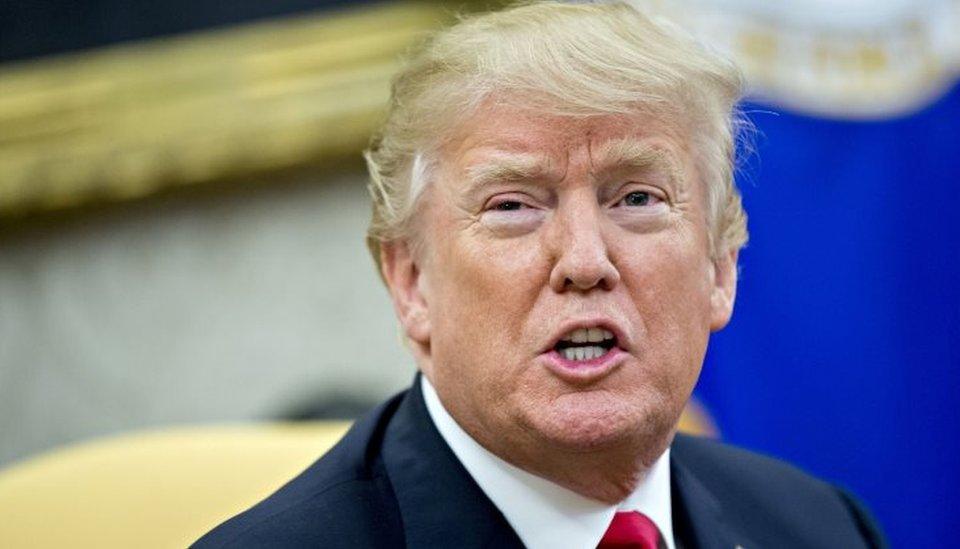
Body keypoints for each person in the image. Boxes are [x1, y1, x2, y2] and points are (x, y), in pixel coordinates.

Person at [194, 2, 886, 548]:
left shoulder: (820, 525)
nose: (585, 261)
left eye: (637, 198)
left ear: (721, 269)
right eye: (514, 206)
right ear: (411, 283)